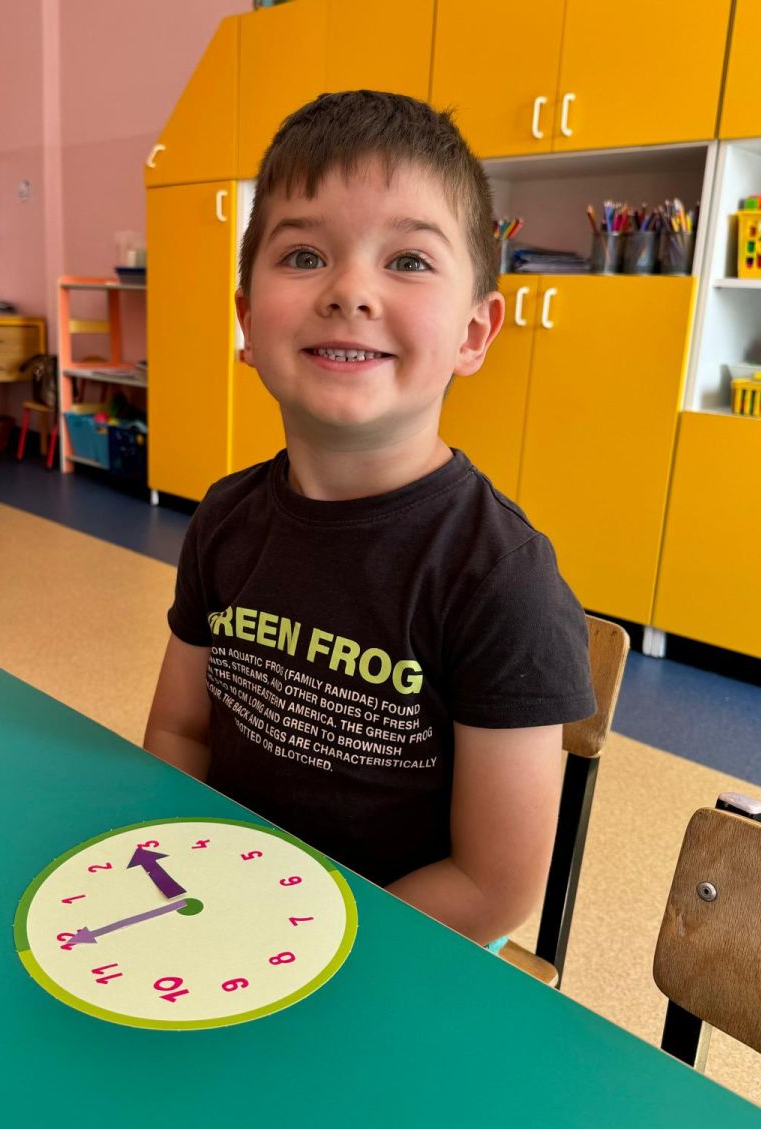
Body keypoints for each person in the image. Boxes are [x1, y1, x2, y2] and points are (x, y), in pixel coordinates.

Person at [144, 90, 595, 951]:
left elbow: (492, 885)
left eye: (409, 261)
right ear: (246, 320)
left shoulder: (501, 580)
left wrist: (304, 952)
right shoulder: (223, 520)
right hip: (219, 915)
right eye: (303, 255)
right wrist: (178, 882)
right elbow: (178, 731)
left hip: (394, 950)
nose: (349, 290)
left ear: (474, 332)